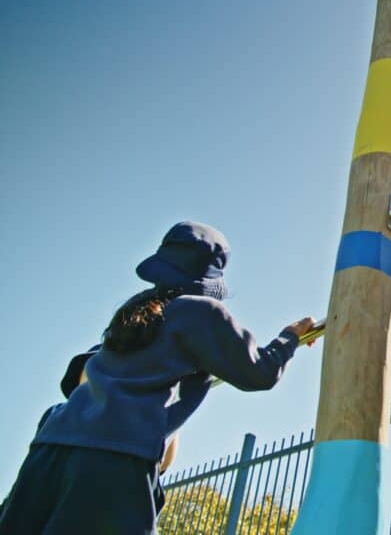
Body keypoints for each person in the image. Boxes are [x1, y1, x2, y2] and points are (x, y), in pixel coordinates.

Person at [0, 221, 319, 535]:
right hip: (114, 458)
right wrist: (288, 339)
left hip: (50, 446)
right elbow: (259, 372)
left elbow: (81, 375)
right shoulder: (201, 311)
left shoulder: (134, 310)